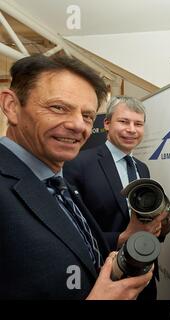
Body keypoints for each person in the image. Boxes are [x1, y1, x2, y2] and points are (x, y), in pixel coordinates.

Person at [0, 54, 154, 299]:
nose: (78, 126)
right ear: (12, 106)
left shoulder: (57, 183)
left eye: (87, 116)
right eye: (59, 108)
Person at [64, 96, 169, 300]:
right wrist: (121, 238)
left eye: (138, 124)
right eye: (124, 121)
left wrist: (160, 225)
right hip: (103, 280)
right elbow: (71, 233)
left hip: (144, 274)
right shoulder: (78, 164)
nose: (132, 129)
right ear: (107, 123)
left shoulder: (142, 167)